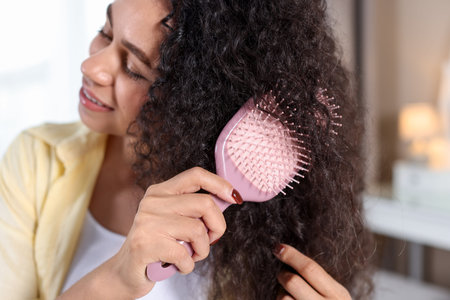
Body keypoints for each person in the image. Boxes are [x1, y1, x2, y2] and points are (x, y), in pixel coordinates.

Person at [0, 0, 374, 299]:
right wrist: (116, 278)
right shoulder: (37, 160)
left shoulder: (277, 226)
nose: (91, 65)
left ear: (195, 99)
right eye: (105, 31)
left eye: (132, 67)